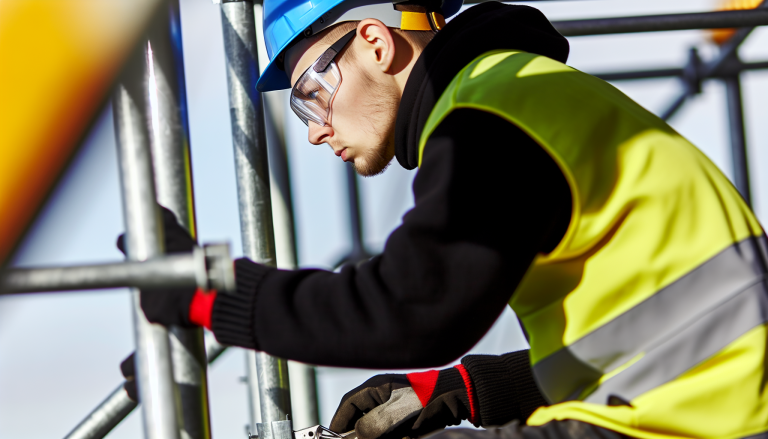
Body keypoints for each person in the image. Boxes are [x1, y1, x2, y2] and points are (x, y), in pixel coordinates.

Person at [119, 0, 768, 438]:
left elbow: (408, 310)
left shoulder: (493, 117)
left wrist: (207, 293)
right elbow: (651, 335)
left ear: (374, 43)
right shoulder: (514, 88)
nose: (317, 132)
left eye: (312, 96)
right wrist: (470, 387)